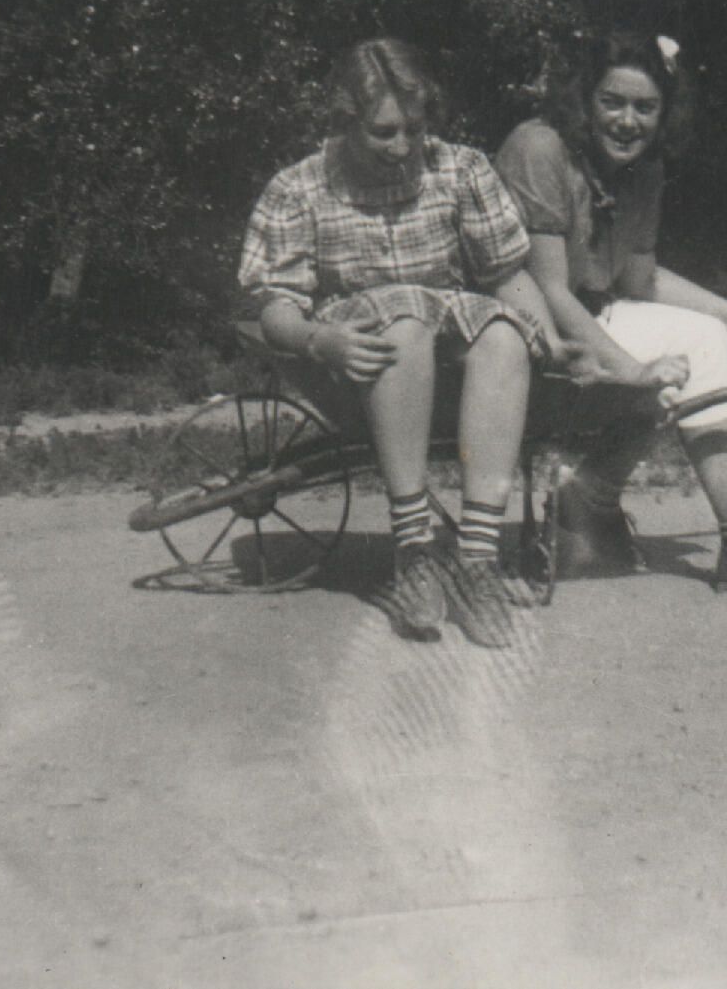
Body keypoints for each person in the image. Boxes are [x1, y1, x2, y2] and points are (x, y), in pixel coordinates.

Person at [238, 38, 577, 645]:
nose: (402, 147)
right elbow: (276, 307)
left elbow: (504, 273)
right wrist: (319, 341)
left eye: (414, 130)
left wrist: (546, 338)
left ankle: (476, 558)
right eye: (383, 133)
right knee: (404, 324)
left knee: (504, 335)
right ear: (346, 123)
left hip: (448, 316)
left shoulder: (460, 170)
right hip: (363, 332)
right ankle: (414, 549)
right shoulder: (300, 188)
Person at [493, 28, 727, 600]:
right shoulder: (540, 149)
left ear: (664, 112)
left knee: (704, 337)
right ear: (584, 100)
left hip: (583, 318)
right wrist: (633, 370)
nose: (627, 121)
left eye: (645, 107)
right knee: (687, 355)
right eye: (612, 102)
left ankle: (590, 501)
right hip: (517, 328)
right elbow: (549, 291)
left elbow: (639, 278)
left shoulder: (643, 169)